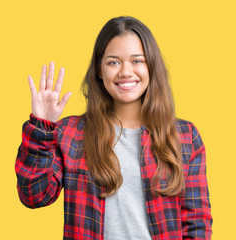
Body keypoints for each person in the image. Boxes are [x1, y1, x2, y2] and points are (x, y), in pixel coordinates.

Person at [15, 16, 212, 240]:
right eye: (113, 62)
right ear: (100, 70)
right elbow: (34, 196)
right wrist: (42, 127)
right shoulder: (70, 133)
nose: (125, 72)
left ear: (152, 66)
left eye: (137, 61)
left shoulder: (185, 137)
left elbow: (196, 225)